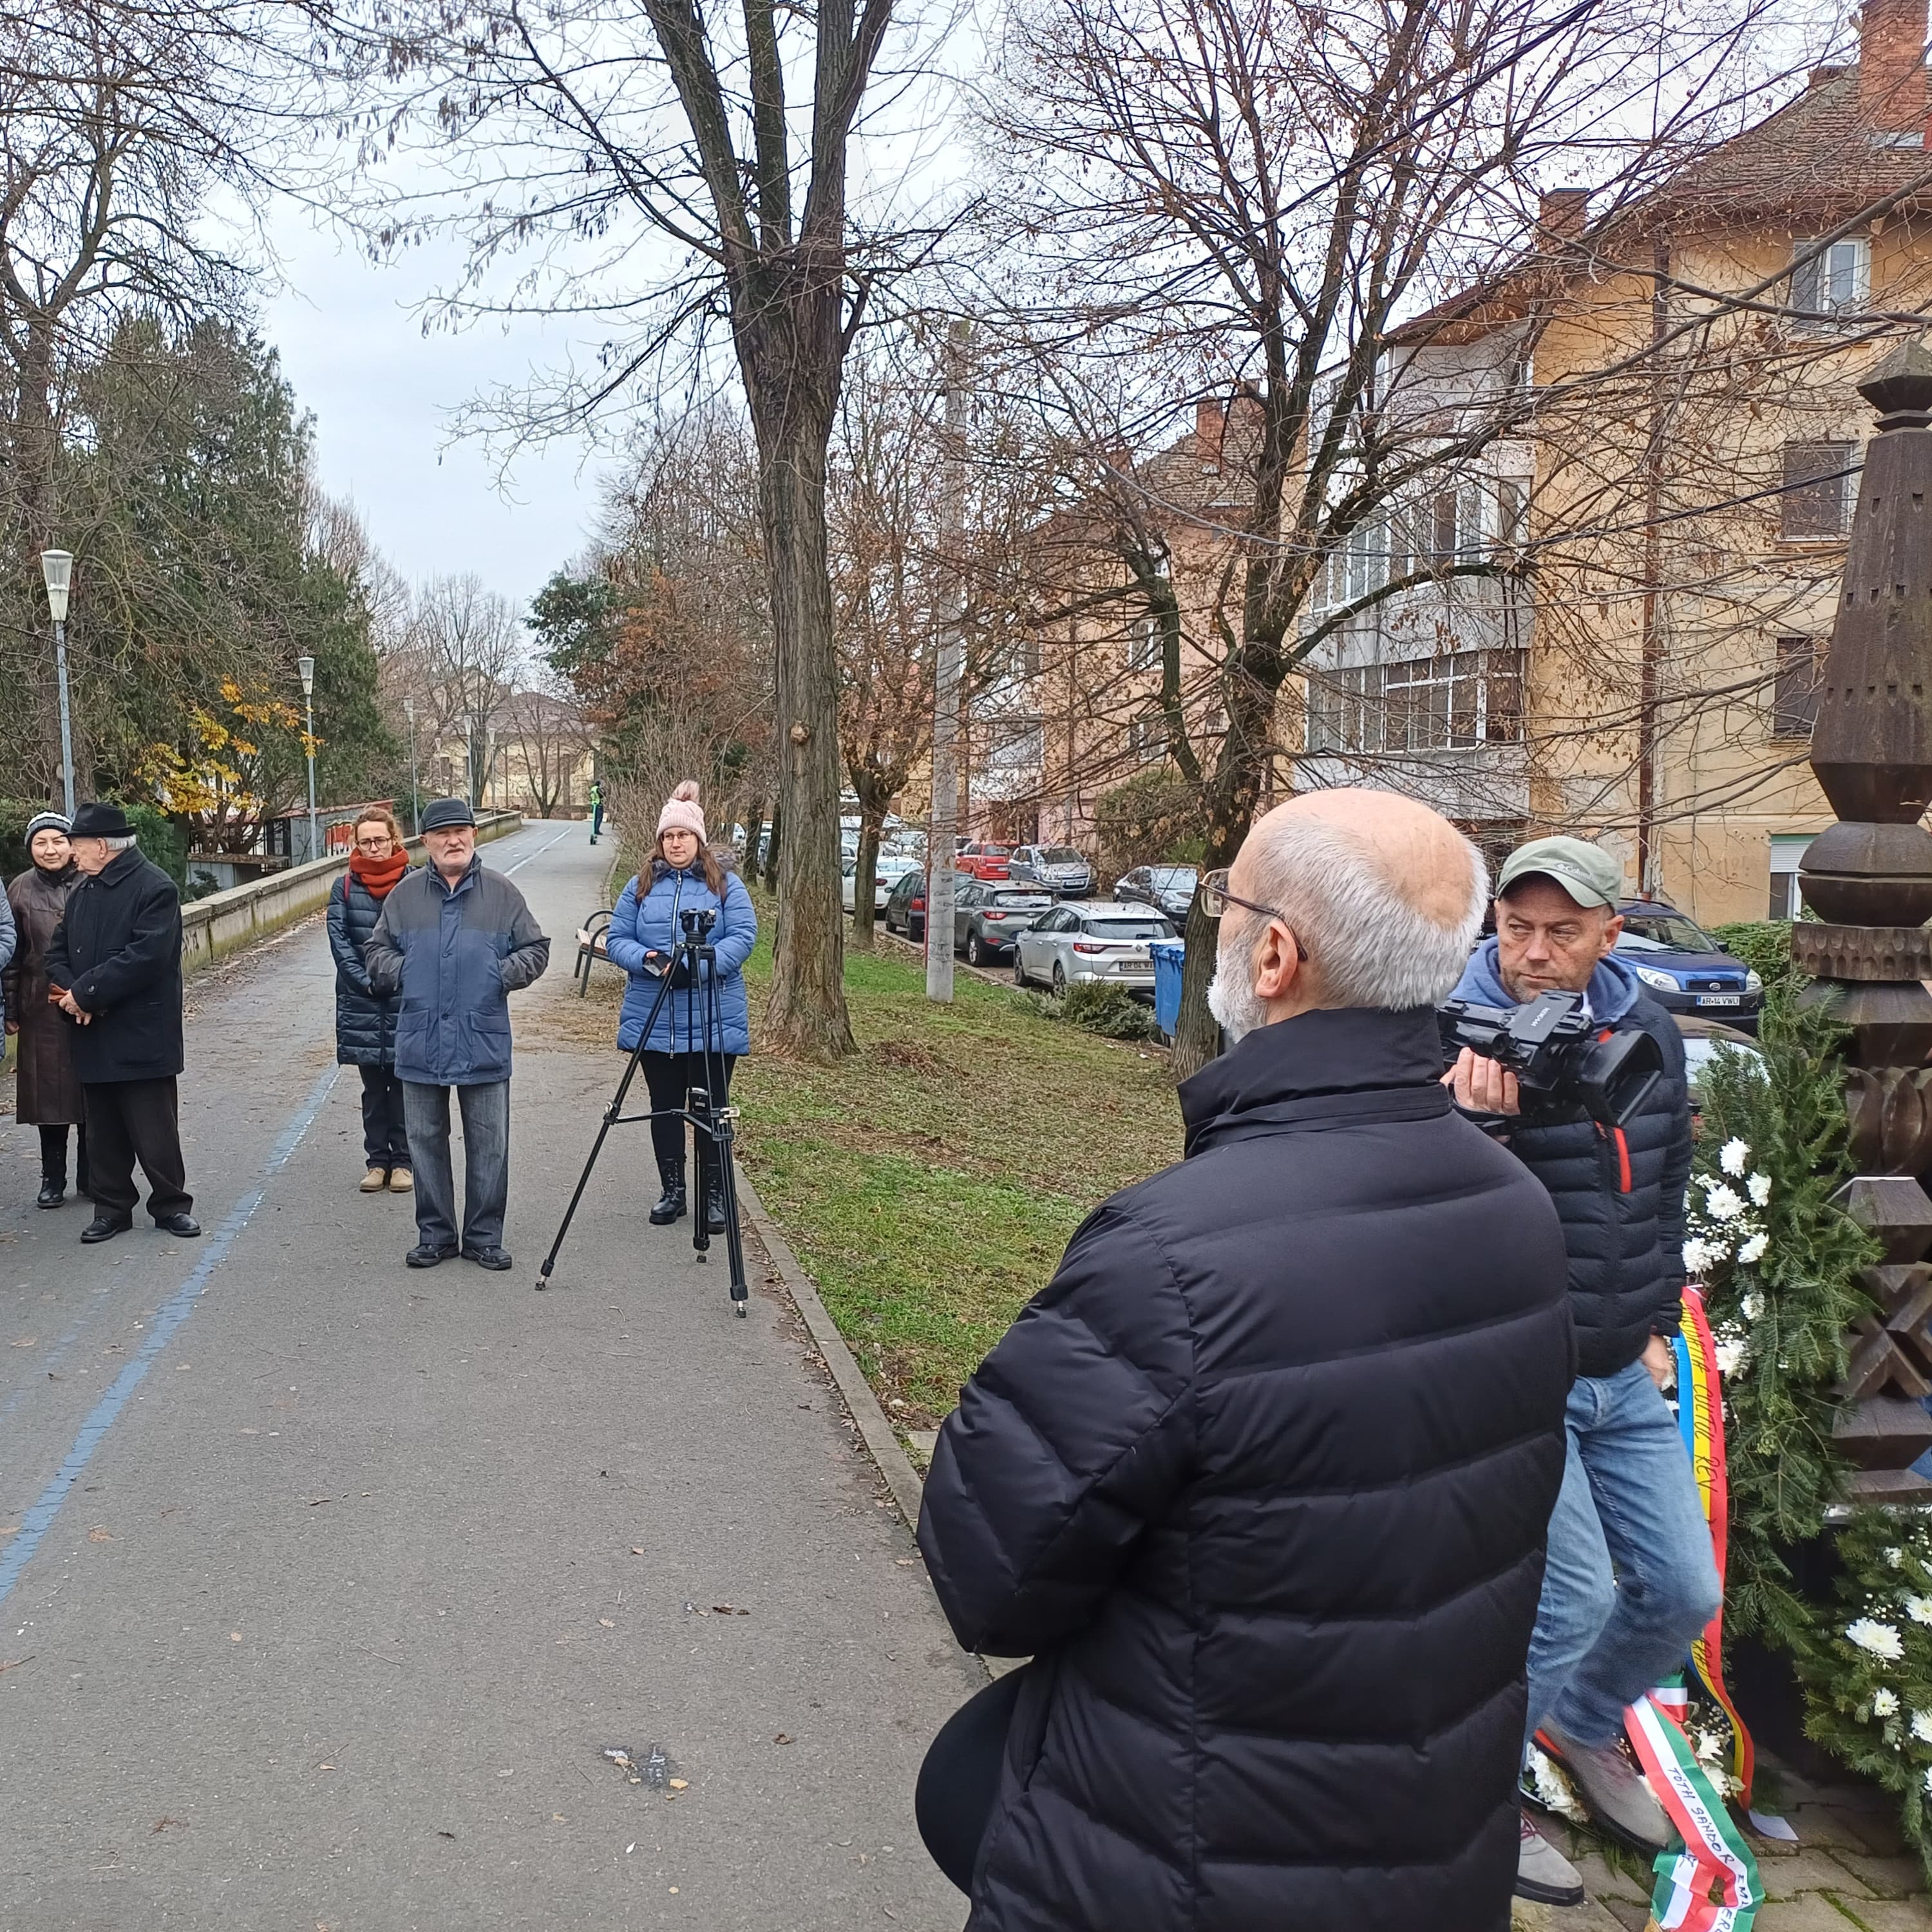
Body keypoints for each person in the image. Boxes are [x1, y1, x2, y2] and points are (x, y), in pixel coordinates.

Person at [916, 790, 1574, 1932]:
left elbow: (990, 1571)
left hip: (1171, 1860)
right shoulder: (1519, 1210)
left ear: (1274, 955)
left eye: (1231, 898)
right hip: (1426, 1852)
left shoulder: (1174, 1255)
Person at [1446, 834, 1718, 1905]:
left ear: (1614, 931)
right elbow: (1434, 1223)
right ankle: (1479, 1796)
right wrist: (1477, 1126)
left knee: (1681, 1589)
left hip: (1621, 1365)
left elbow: (1667, 1182)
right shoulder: (1455, 1029)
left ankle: (1587, 1721)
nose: (1535, 954)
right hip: (1524, 1373)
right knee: (1568, 1598)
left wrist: (1656, 1320)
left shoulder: (1644, 1023)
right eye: (1518, 928)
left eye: (1563, 932)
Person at [364, 797, 549, 1271]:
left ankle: (485, 1236)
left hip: (481, 1037)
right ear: (425, 842)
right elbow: (376, 953)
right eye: (443, 834)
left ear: (473, 835)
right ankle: (437, 1234)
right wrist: (407, 972)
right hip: (420, 1037)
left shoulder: (502, 893)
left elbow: (536, 948)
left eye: (461, 831)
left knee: (490, 1142)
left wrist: (499, 973)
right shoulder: (404, 898)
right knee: (424, 1141)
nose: (454, 841)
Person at [603, 781, 755, 1233]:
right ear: (659, 840)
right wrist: (647, 960)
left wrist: (700, 967)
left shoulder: (725, 884)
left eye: (683, 835)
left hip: (711, 1017)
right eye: (668, 836)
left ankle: (715, 1195)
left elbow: (744, 937)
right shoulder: (640, 885)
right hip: (655, 1017)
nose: (675, 843)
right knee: (665, 1107)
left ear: (698, 840)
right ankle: (673, 1192)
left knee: (710, 1108)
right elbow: (617, 939)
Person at [45, 802, 197, 1243]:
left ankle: (171, 1205)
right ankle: (112, 1208)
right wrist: (73, 994)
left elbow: (145, 959)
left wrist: (87, 994)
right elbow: (56, 955)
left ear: (100, 846)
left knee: (155, 1129)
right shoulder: (83, 892)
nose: (72, 854)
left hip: (142, 1031)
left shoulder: (155, 888)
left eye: (76, 845)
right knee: (103, 1130)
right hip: (91, 1029)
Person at [328, 806, 413, 1196]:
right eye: (366, 841)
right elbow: (340, 942)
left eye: (381, 840)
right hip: (360, 1000)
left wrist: (395, 979)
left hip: (405, 998)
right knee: (374, 1090)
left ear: (394, 840)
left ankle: (404, 1163)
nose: (375, 847)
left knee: (406, 1086)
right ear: (356, 844)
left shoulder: (416, 884)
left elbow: (425, 938)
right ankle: (377, 1161)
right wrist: (365, 983)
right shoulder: (343, 887)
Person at [6, 813, 84, 1208]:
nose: (50, 850)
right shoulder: (20, 889)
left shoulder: (91, 881)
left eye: (58, 841)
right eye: (41, 843)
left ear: (72, 844)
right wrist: (10, 1008)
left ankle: (94, 1174)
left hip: (90, 1002)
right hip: (39, 1006)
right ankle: (53, 1177)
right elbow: (13, 955)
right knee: (47, 1098)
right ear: (31, 848)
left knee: (93, 1092)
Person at [588, 777, 604, 845]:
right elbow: (602, 795)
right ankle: (596, 830)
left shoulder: (592, 789)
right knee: (599, 818)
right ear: (599, 784)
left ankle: (594, 830)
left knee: (595, 818)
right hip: (598, 804)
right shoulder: (598, 789)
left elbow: (590, 795)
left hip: (594, 804)